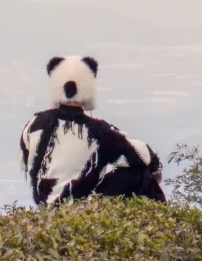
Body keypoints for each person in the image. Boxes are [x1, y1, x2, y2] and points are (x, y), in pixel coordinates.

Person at [20, 55, 165, 207]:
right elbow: (140, 155)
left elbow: (27, 162)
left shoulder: (34, 125)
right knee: (139, 174)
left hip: (45, 207)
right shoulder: (99, 131)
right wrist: (155, 169)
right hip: (81, 209)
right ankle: (166, 223)